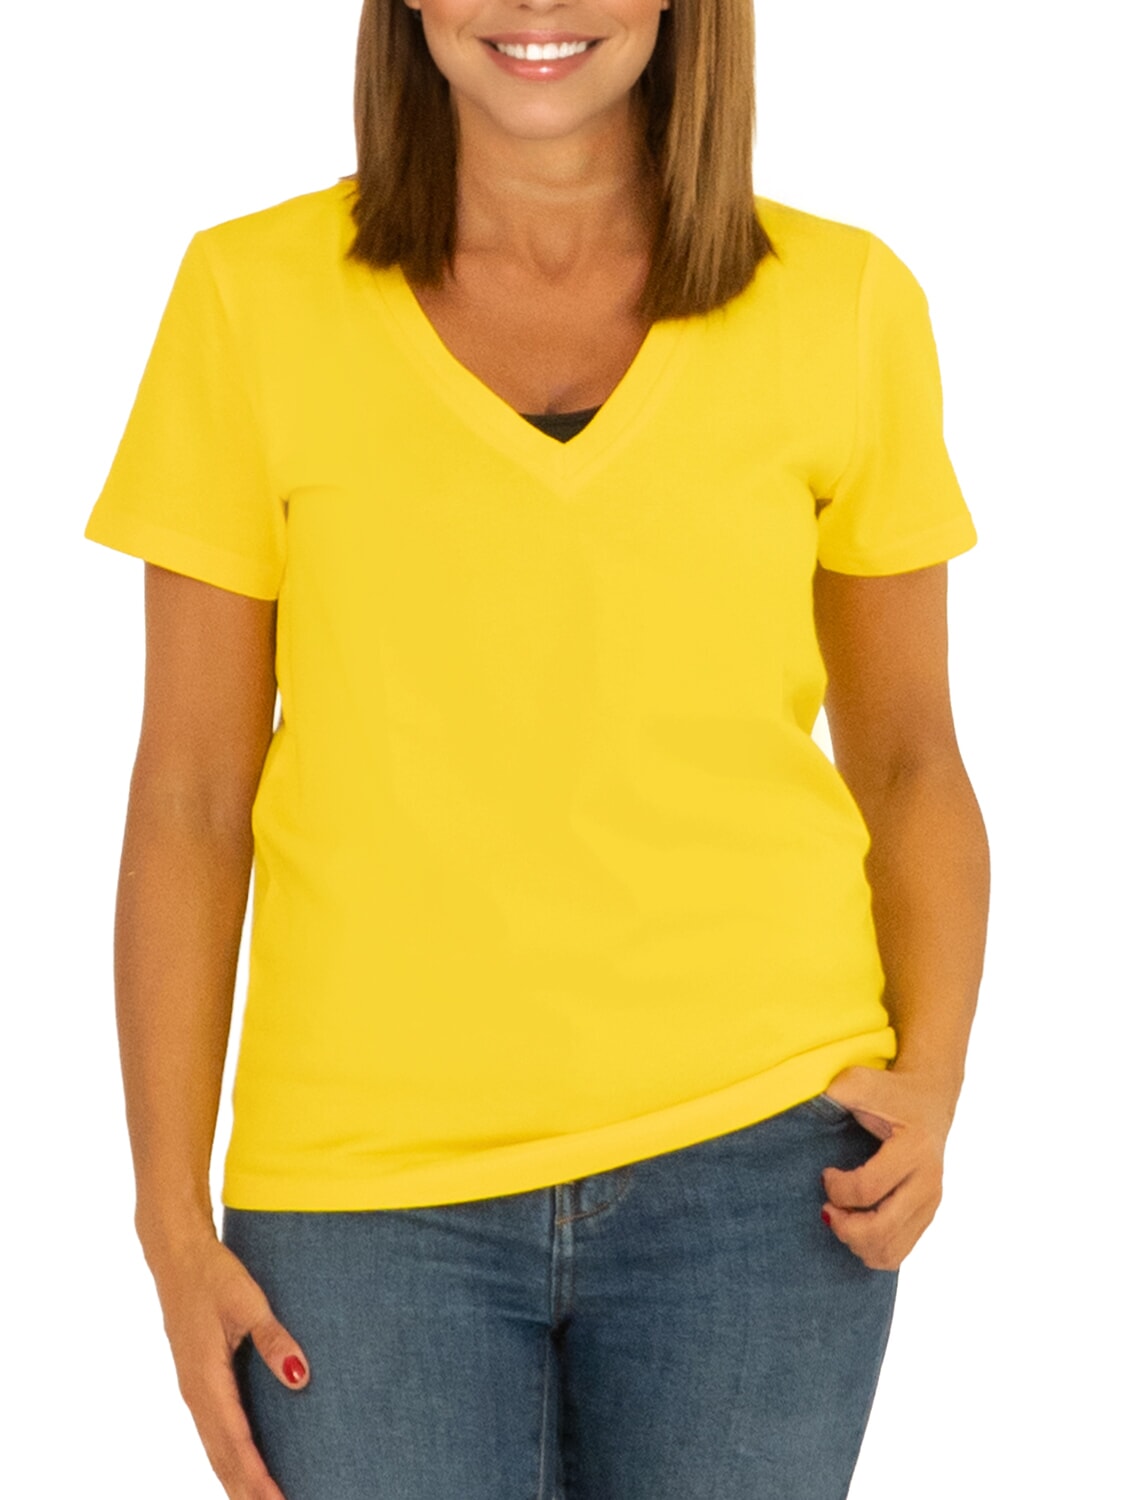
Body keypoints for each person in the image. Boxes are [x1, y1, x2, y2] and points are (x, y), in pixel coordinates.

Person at [85, 1, 990, 1497]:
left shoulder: (844, 302)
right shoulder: (248, 299)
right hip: (362, 1198)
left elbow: (908, 758)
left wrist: (936, 1079)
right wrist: (169, 1223)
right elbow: (189, 795)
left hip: (764, 1174)